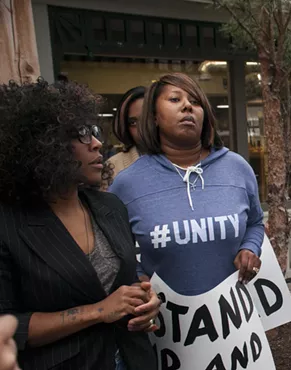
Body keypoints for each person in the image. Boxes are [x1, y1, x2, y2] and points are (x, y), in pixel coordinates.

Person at [0, 80, 159, 370]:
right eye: (82, 134)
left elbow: (122, 284)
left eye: (95, 132)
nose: (97, 143)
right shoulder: (9, 225)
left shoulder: (109, 207)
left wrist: (143, 304)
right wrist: (98, 311)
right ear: (43, 143)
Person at [109, 73, 264, 296]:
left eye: (195, 102)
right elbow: (112, 251)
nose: (187, 107)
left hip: (236, 320)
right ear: (153, 117)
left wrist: (250, 247)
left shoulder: (237, 168)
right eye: (175, 99)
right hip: (165, 320)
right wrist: (137, 278)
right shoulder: (127, 183)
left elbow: (255, 222)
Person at [107, 86, 145, 181]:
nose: (141, 129)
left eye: (146, 119)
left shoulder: (179, 160)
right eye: (133, 123)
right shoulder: (113, 166)